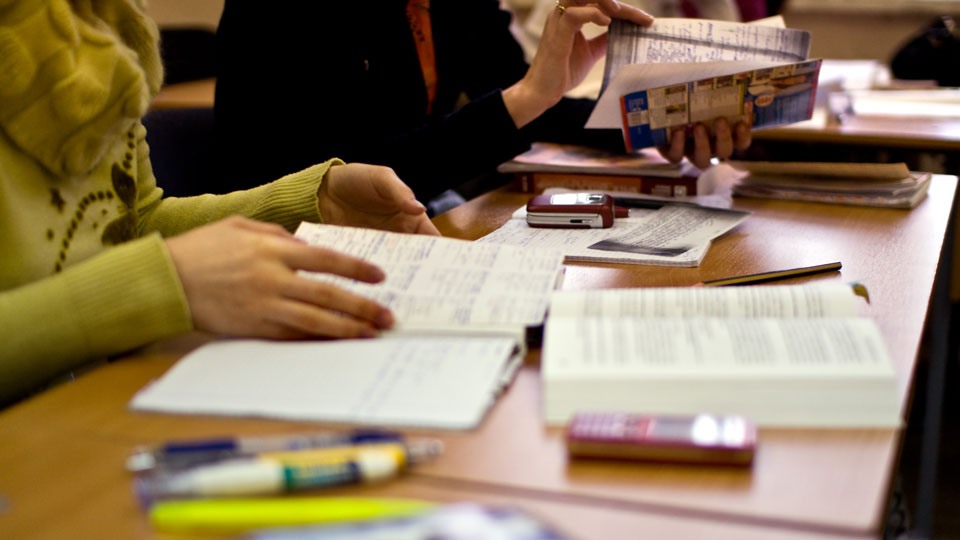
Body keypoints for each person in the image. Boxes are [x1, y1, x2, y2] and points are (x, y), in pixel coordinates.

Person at [0, 0, 440, 407]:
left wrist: (311, 202)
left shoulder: (104, 21)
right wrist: (163, 279)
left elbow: (132, 221)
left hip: (93, 405)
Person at [213, 0, 751, 208]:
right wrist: (525, 99)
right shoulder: (282, 11)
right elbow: (337, 179)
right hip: (305, 242)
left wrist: (660, 117)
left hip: (417, 225)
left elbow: (523, 106)